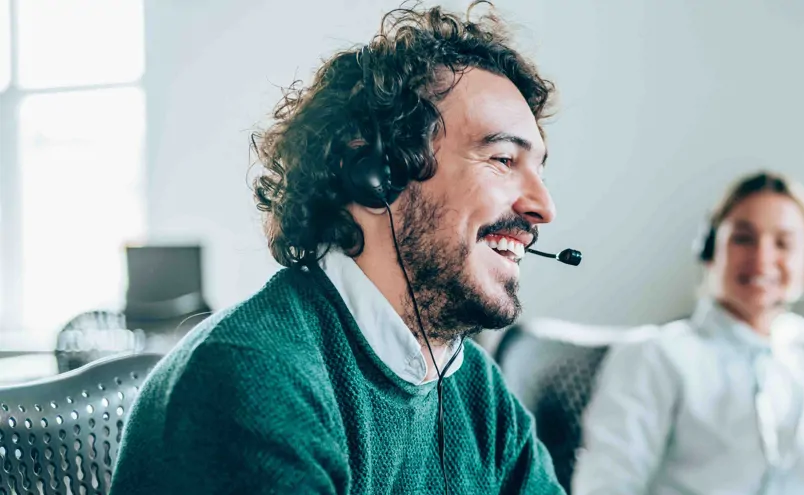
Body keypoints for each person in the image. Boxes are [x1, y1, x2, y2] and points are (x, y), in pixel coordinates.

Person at [111, 3, 564, 493]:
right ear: (376, 175)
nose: (544, 207)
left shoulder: (477, 391)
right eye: (502, 159)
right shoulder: (253, 378)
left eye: (539, 169)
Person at [572, 172, 804, 495]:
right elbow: (606, 487)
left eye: (783, 243)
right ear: (709, 249)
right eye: (743, 238)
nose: (762, 257)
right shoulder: (656, 356)